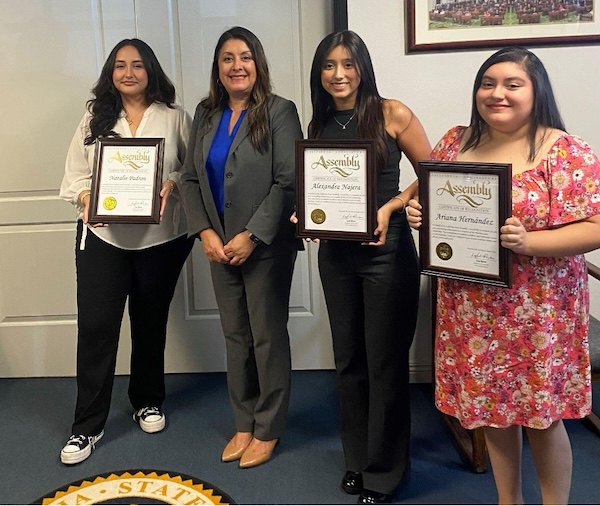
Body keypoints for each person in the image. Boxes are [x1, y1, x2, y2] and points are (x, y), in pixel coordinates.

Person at [407, 46, 600, 505]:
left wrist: (529, 242)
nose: (498, 94)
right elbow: (435, 197)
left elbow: (595, 226)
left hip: (538, 313)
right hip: (471, 310)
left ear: (537, 91)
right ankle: (507, 501)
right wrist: (421, 211)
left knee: (542, 418)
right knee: (492, 412)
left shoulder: (565, 151)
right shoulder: (454, 143)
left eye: (513, 84)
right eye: (488, 83)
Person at [305, 30, 431, 504]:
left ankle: (385, 470)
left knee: (384, 363)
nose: (339, 75)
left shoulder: (391, 112)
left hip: (387, 253)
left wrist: (392, 206)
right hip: (336, 256)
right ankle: (357, 459)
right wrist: (308, 214)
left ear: (363, 67)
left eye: (348, 64)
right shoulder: (318, 123)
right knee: (349, 361)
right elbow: (318, 188)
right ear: (320, 73)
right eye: (329, 66)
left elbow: (433, 173)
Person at [59, 38, 194, 465]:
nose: (129, 72)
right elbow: (76, 175)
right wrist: (88, 200)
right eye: (120, 65)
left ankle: (147, 400)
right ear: (110, 73)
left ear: (151, 70)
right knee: (97, 329)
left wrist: (171, 180)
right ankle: (87, 426)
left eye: (137, 65)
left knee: (150, 323)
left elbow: (192, 168)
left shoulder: (175, 118)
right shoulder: (93, 118)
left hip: (161, 240)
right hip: (103, 239)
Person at [178, 26, 302, 469]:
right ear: (218, 67)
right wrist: (206, 234)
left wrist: (251, 235)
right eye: (227, 58)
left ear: (258, 63)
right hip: (218, 245)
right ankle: (244, 421)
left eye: (245, 57)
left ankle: (268, 427)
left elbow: (289, 182)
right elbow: (190, 178)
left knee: (267, 336)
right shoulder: (206, 113)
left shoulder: (280, 111)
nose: (236, 66)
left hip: (264, 245)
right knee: (236, 336)